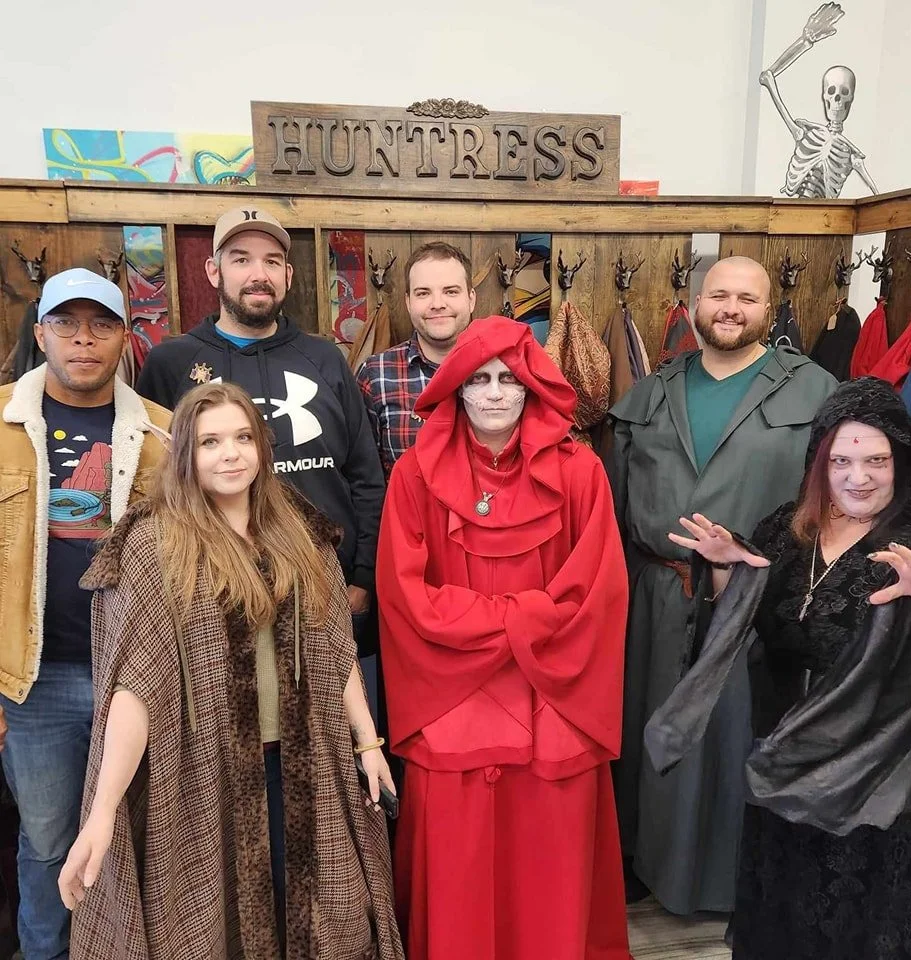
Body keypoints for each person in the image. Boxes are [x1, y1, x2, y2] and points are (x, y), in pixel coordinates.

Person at [57, 381, 402, 959]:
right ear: (185, 453)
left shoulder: (296, 529)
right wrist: (102, 814)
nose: (231, 454)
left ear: (263, 446)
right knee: (211, 925)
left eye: (243, 438)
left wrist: (368, 745)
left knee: (323, 918)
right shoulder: (156, 543)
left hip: (305, 763)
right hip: (202, 772)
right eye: (211, 442)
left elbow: (334, 650)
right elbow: (134, 690)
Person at [647, 377, 911, 960]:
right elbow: (749, 625)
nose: (858, 477)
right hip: (790, 758)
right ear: (820, 460)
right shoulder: (788, 530)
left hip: (882, 771)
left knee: (867, 915)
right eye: (840, 459)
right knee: (793, 908)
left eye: (876, 460)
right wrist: (726, 573)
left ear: (903, 461)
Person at [377, 316, 630, 960]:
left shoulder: (581, 472)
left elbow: (595, 589)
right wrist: (519, 622)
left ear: (531, 390)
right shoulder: (414, 475)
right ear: (456, 389)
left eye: (508, 380)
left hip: (555, 694)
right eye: (479, 379)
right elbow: (406, 596)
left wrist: (502, 624)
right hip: (451, 696)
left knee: (551, 843)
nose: (494, 393)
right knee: (458, 853)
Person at [606, 255, 837, 914]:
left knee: (734, 737)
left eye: (747, 298)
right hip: (657, 594)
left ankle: (736, 880)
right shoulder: (652, 392)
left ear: (768, 310)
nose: (731, 308)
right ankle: (644, 863)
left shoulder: (814, 390)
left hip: (757, 597)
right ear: (693, 301)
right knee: (651, 731)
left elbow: (839, 502)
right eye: (719, 295)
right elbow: (616, 508)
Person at [0, 267, 170, 960]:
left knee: (143, 835)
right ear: (40, 333)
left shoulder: (163, 431)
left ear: (124, 339)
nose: (82, 340)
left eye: (100, 324)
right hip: (33, 681)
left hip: (136, 675)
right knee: (47, 841)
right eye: (65, 324)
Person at [136, 206, 384, 636]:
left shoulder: (324, 358)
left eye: (271, 261)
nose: (258, 273)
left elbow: (365, 475)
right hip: (212, 602)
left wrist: (363, 577)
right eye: (241, 259)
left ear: (288, 275)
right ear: (214, 271)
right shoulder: (170, 364)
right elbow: (151, 483)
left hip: (328, 594)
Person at [356, 242, 475, 480]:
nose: (438, 303)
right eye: (423, 293)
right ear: (408, 302)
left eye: (451, 291)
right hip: (406, 516)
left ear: (471, 299)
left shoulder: (502, 369)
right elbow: (363, 477)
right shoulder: (375, 374)